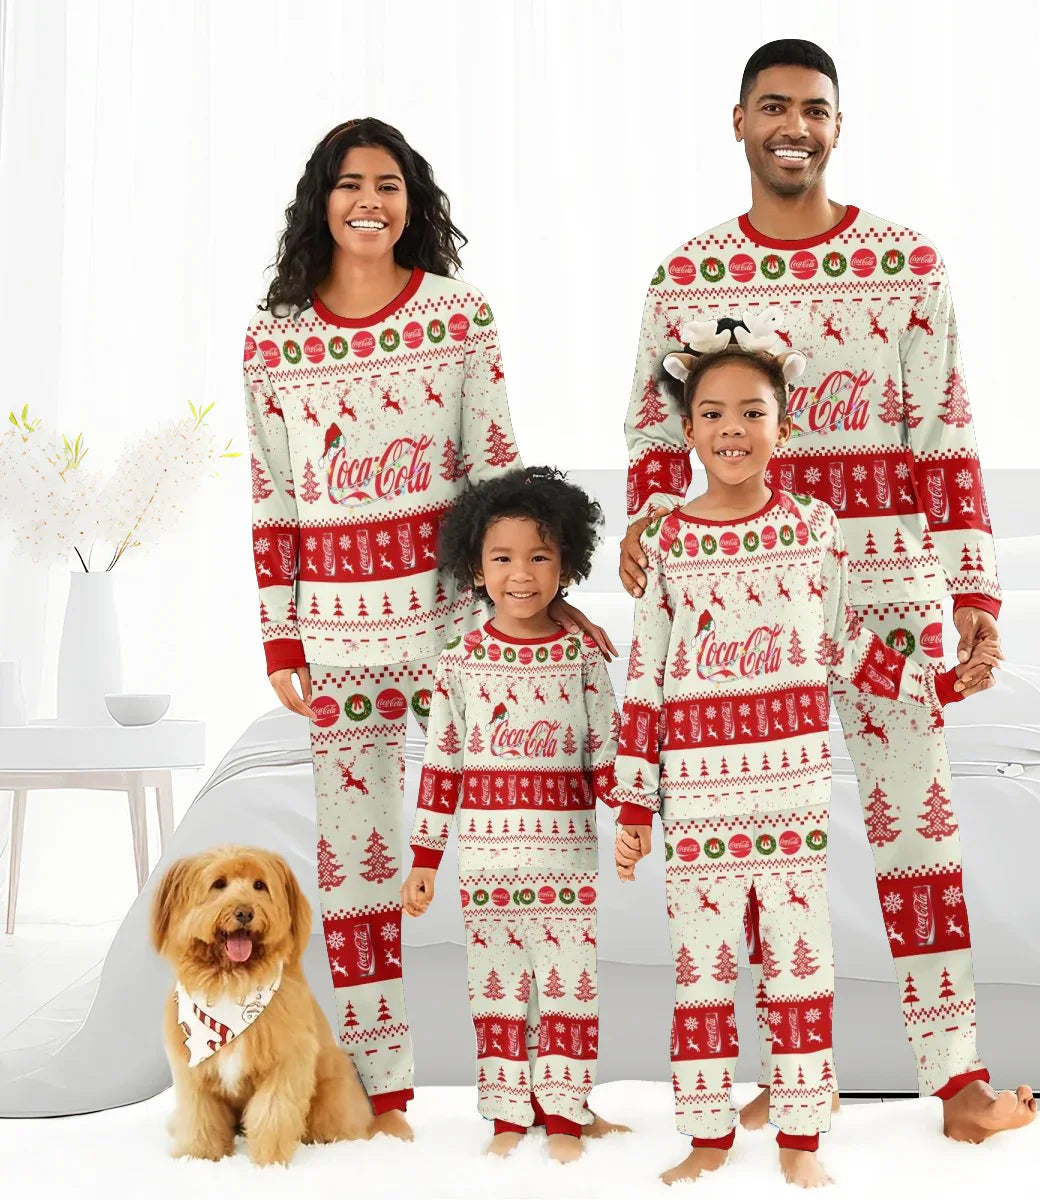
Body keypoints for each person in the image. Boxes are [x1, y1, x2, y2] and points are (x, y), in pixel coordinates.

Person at [619, 40, 1037, 1145]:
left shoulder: (909, 262)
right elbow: (655, 439)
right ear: (740, 122)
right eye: (773, 107)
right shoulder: (688, 275)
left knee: (918, 837)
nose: (793, 125)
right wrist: (649, 530)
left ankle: (956, 1084)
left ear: (838, 127)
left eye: (814, 109)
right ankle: (788, 1075)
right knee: (757, 847)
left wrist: (975, 583)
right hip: (745, 613)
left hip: (894, 586)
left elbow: (947, 431)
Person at [244, 118, 612, 1127]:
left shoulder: (458, 316)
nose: (372, 198)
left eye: (391, 183)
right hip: (336, 637)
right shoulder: (275, 334)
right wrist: (281, 634)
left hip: (460, 629)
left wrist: (543, 595)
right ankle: (383, 1090)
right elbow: (273, 493)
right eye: (352, 182)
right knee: (356, 867)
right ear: (322, 199)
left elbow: (497, 472)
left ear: (414, 202)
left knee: (507, 845)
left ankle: (539, 1087)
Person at [613, 333, 988, 1186]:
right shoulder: (667, 540)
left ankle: (801, 1141)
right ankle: (707, 1139)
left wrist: (936, 685)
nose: (732, 429)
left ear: (784, 425)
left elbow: (839, 643)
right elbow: (646, 679)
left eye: (752, 412)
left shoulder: (812, 528)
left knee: (799, 972)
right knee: (701, 976)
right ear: (688, 430)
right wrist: (635, 804)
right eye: (712, 414)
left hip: (791, 800)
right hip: (700, 803)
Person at [401, 467, 629, 1162]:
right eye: (502, 558)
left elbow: (606, 754)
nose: (522, 575)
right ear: (476, 566)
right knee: (497, 995)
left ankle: (566, 1115)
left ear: (568, 564)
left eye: (540, 557)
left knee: (569, 992)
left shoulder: (584, 657)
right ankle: (507, 1115)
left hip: (567, 868)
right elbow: (442, 768)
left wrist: (635, 818)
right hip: (487, 870)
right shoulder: (459, 665)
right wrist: (424, 863)